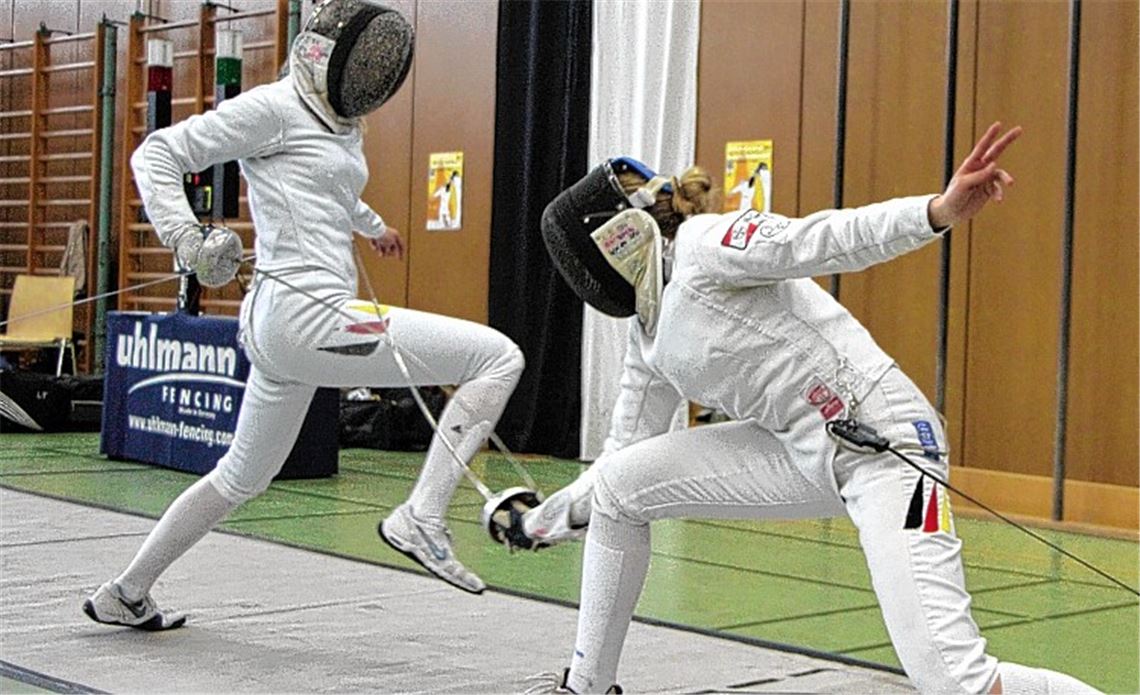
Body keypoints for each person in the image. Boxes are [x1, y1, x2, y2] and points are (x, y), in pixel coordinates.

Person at [522, 124, 1101, 694]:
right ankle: (585, 687)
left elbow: (824, 238)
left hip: (892, 448)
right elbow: (616, 462)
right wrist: (537, 521)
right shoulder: (648, 337)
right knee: (624, 484)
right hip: (801, 452)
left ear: (613, 237)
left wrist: (936, 211)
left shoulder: (706, 244)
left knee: (954, 679)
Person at [83, 0, 523, 631]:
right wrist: (185, 238)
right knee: (497, 356)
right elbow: (157, 154)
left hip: (290, 327)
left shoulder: (340, 125)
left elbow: (331, 189)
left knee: (240, 476)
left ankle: (125, 592)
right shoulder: (272, 108)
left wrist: (373, 227)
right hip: (306, 316)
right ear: (323, 56)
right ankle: (421, 517)